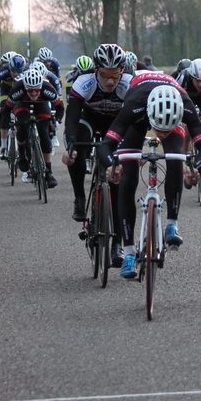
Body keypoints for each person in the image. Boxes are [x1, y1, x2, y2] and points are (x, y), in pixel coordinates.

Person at [99, 75, 201, 278]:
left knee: (176, 157)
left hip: (169, 104)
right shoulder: (133, 106)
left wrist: (196, 169)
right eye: (160, 130)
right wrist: (112, 166)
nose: (162, 134)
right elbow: (106, 146)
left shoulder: (185, 105)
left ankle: (171, 226)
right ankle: (130, 253)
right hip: (141, 110)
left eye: (168, 129)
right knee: (127, 176)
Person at [63, 44, 131, 255]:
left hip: (116, 123)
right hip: (88, 119)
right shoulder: (84, 83)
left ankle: (118, 244)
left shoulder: (129, 85)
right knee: (77, 150)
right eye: (104, 75)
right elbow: (72, 117)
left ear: (122, 71)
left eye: (115, 75)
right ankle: (80, 198)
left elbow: (134, 122)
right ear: (95, 71)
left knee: (117, 178)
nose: (110, 81)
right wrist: (71, 146)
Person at [5, 69, 63, 188]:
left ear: (40, 87)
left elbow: (60, 108)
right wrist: (10, 126)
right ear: (25, 87)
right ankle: (22, 155)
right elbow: (6, 110)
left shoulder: (48, 88)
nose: (34, 94)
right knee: (22, 126)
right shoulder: (17, 89)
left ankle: (49, 173)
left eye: (36, 91)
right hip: (22, 103)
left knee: (44, 133)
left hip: (42, 104)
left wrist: (56, 120)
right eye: (30, 91)